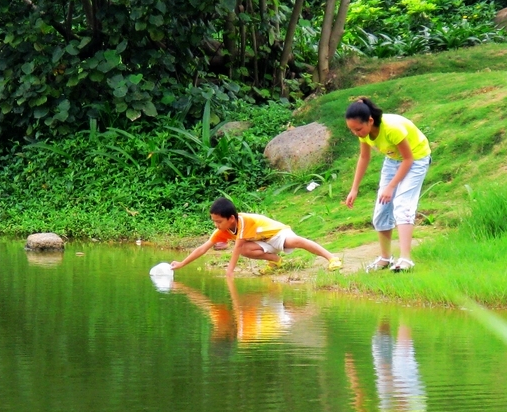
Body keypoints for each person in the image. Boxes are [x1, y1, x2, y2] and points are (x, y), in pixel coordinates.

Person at [344, 97, 431, 272]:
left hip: (416, 158)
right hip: (393, 160)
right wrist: (354, 188)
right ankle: (385, 258)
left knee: (402, 205)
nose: (356, 134)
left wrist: (391, 187)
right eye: (352, 130)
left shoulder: (391, 129)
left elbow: (408, 159)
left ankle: (406, 260)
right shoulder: (364, 133)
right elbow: (364, 157)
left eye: (358, 129)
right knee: (382, 209)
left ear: (370, 121)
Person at [170, 197, 342, 277]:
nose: (216, 225)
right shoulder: (223, 229)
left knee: (296, 241)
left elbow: (237, 247)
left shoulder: (243, 221)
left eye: (218, 221)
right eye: (214, 222)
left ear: (231, 218)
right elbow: (203, 248)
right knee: (245, 249)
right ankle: (275, 261)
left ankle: (332, 258)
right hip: (261, 243)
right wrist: (182, 264)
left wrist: (229, 272)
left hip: (276, 235)